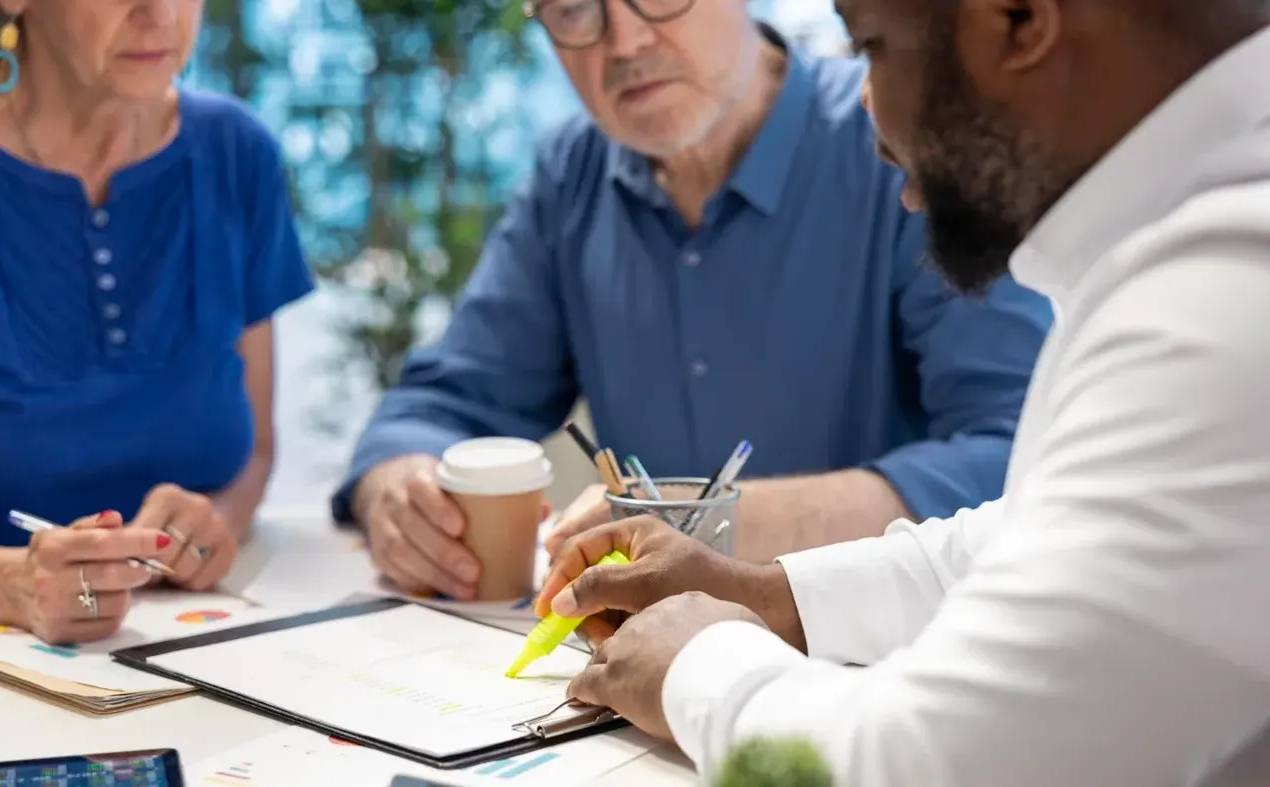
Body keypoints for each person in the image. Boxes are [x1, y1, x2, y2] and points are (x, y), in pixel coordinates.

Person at [534, 0, 1270, 784]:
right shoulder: (1192, 258)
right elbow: (1031, 536)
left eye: (872, 47)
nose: (869, 116)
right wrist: (762, 593)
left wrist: (697, 662)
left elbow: (936, 766)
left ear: (1019, 19)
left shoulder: (1223, 304)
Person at [333, 0, 1052, 599]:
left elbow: (1018, 457)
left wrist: (709, 524)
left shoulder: (896, 140)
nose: (625, 41)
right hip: (650, 678)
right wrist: (398, 492)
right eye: (574, 9)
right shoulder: (572, 176)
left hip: (882, 664)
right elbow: (445, 401)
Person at [0, 0, 312, 670]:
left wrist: (215, 521)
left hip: (176, 666)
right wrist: (9, 583)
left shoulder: (237, 153)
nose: (160, 13)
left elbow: (254, 457)